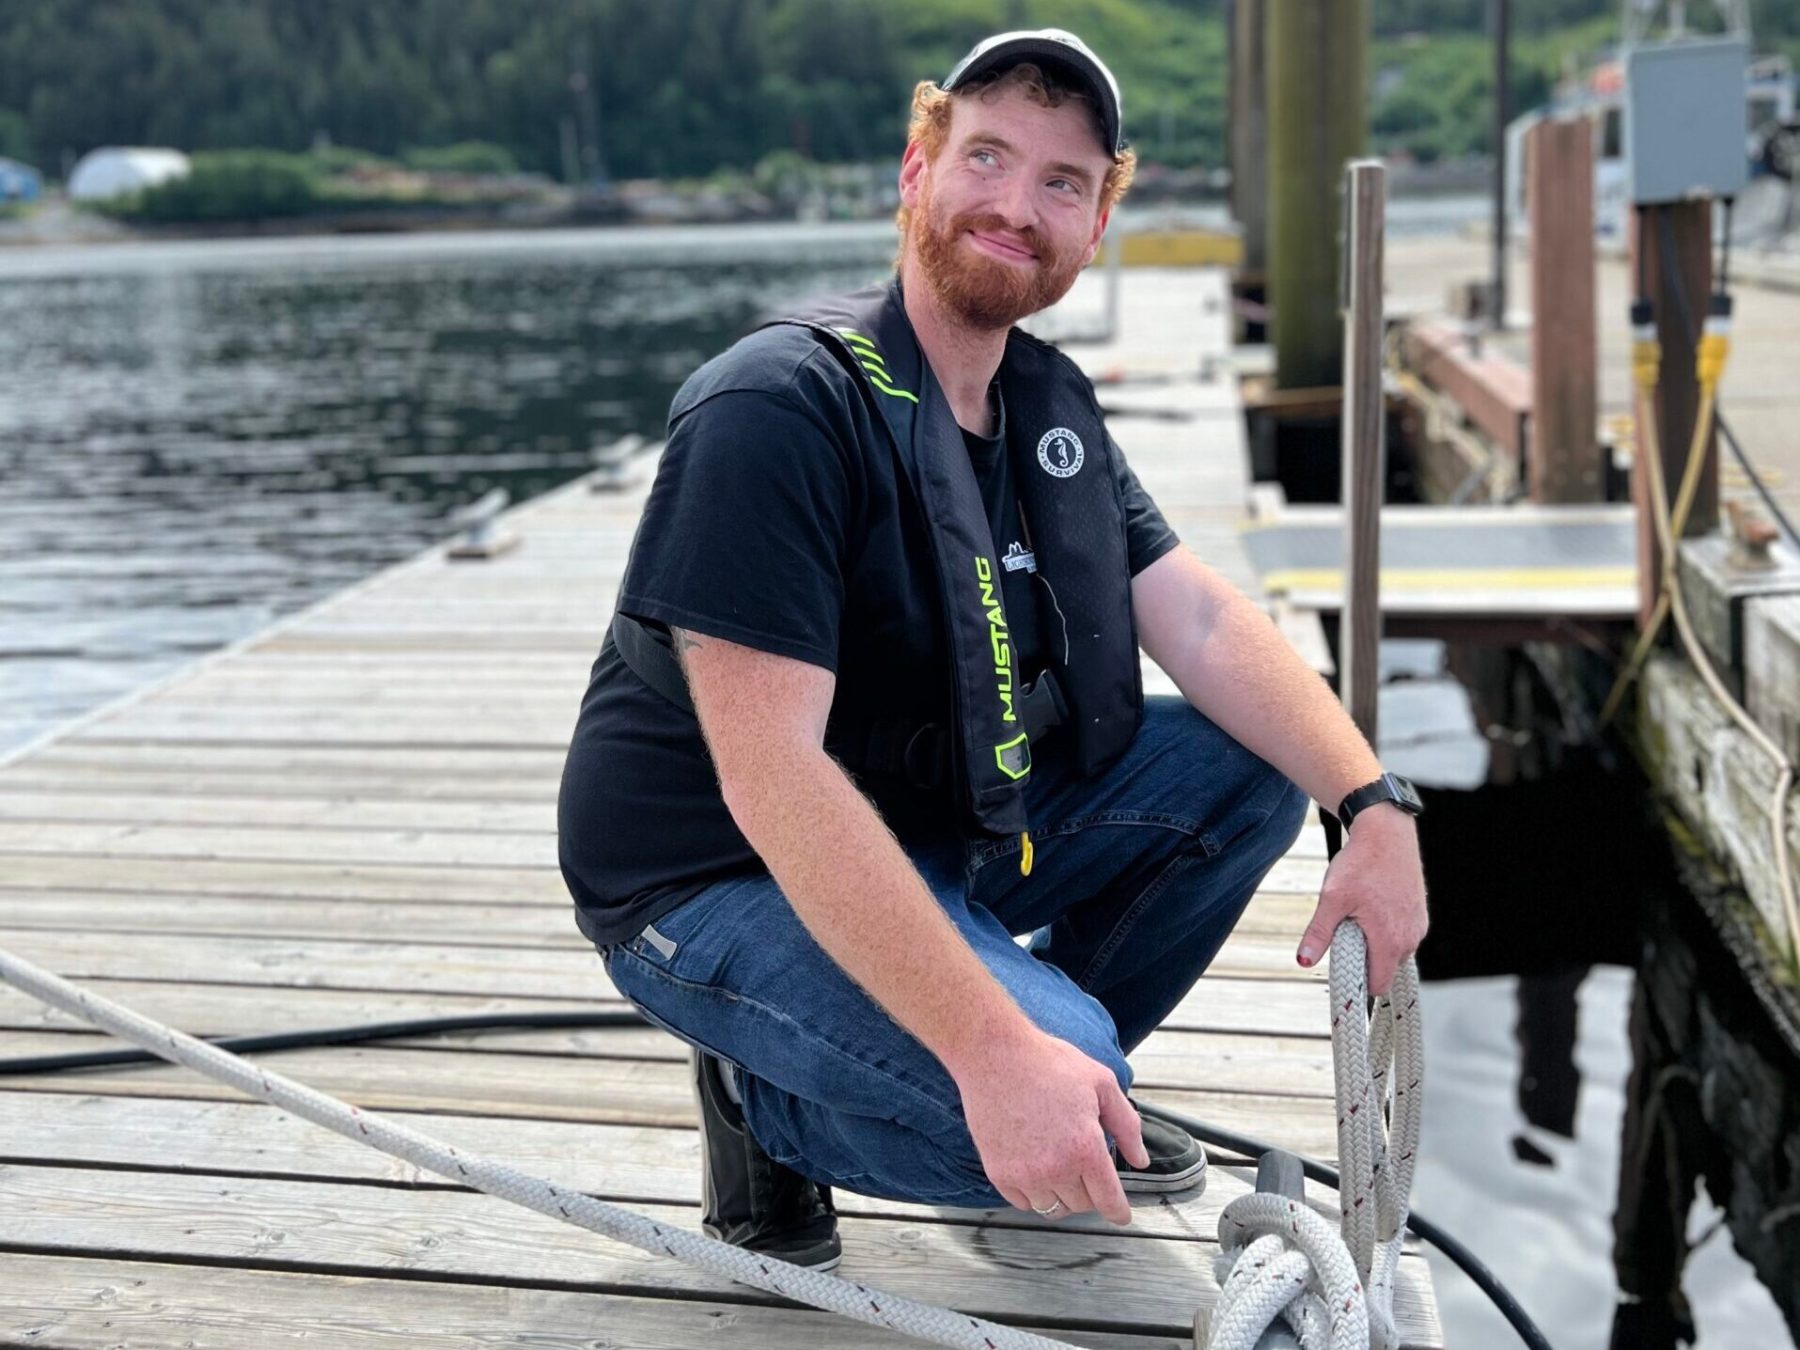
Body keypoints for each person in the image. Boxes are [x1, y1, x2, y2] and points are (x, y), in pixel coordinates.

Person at [557, 28, 1429, 1272]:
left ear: (1095, 225)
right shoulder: (775, 410)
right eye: (987, 158)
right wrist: (991, 1050)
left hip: (932, 825)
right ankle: (772, 1101)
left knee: (1243, 772)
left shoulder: (1038, 407)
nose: (1018, 207)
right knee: (1041, 1111)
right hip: (712, 873)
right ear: (917, 170)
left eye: (1063, 183)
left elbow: (1202, 621)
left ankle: (1051, 1067)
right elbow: (773, 778)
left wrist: (1374, 802)